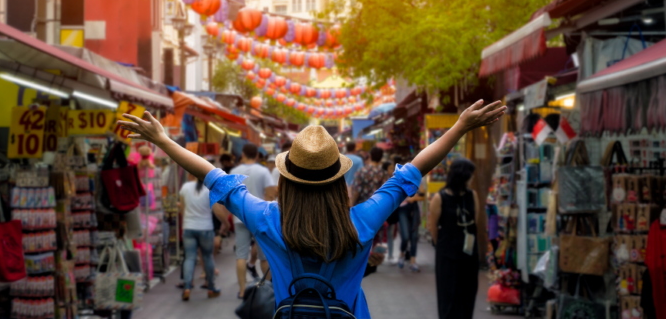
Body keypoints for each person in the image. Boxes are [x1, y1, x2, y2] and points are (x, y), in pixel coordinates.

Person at [120, 99, 504, 319]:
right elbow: (414, 170)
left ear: (288, 178)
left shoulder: (269, 220)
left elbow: (214, 177)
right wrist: (459, 128)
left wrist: (164, 142)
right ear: (339, 179)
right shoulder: (362, 221)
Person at [428, 158, 480, 319]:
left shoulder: (473, 195)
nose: (472, 179)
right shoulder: (440, 197)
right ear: (462, 176)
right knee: (448, 296)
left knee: (468, 295)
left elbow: (475, 222)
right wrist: (442, 246)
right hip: (447, 255)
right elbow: (433, 226)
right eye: (470, 175)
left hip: (469, 254)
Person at [229, 142, 276, 297]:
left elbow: (227, 195)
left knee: (241, 255)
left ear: (242, 154)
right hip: (260, 217)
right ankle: (268, 289)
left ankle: (242, 290)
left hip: (239, 216)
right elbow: (270, 194)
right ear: (257, 155)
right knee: (264, 256)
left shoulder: (234, 171)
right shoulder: (263, 171)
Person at [179, 173, 230, 301]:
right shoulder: (209, 189)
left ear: (191, 174)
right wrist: (226, 223)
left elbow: (183, 210)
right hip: (206, 228)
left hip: (189, 228)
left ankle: (186, 287)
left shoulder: (185, 188)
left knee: (189, 258)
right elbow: (218, 211)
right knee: (208, 257)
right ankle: (211, 288)